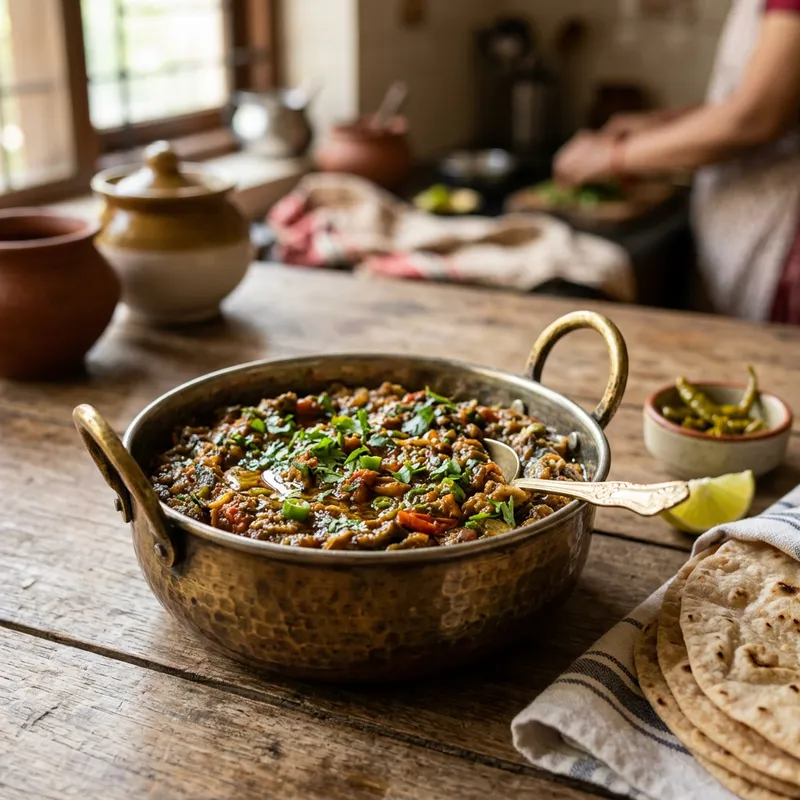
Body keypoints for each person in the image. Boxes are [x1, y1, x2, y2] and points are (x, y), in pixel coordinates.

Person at [553, 0, 800, 323]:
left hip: (784, 246)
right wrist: (665, 123)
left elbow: (758, 115)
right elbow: (769, 97)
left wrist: (614, 157)